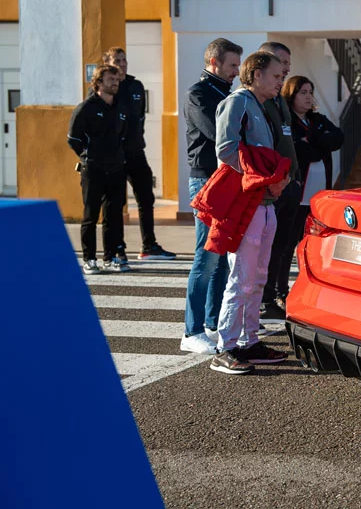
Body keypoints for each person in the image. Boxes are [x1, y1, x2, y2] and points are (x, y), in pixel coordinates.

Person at [211, 51, 291, 374]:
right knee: (241, 277)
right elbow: (224, 148)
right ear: (256, 74)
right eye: (275, 76)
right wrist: (258, 177)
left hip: (265, 202)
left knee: (258, 277)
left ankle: (249, 340)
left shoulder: (260, 105)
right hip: (248, 202)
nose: (280, 80)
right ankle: (225, 346)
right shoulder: (238, 102)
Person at [180, 38, 242, 355]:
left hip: (226, 179)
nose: (237, 72)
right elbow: (218, 134)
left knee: (220, 260)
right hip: (206, 180)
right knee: (205, 258)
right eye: (232, 65)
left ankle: (212, 323)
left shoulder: (226, 93)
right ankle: (191, 331)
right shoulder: (198, 94)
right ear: (214, 62)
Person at [270, 75, 344, 309]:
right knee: (287, 244)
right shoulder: (287, 120)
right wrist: (315, 143)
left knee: (313, 246)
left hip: (318, 198)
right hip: (296, 195)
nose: (308, 97)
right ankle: (279, 290)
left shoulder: (316, 120)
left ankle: (309, 288)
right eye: (303, 92)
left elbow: (337, 138)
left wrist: (312, 139)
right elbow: (304, 152)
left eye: (310, 92)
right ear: (291, 94)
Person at [101, 48, 176, 263]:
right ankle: (117, 248)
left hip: (135, 152)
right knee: (114, 203)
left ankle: (149, 245)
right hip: (113, 156)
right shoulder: (105, 88)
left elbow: (140, 117)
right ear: (107, 62)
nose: (123, 64)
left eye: (124, 60)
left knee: (146, 197)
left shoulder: (135, 86)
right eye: (117, 60)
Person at [68, 63, 128, 274]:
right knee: (90, 215)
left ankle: (110, 257)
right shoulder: (86, 107)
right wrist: (88, 156)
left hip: (117, 169)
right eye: (111, 79)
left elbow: (124, 136)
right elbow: (73, 139)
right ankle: (89, 259)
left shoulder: (121, 107)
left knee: (113, 215)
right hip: (93, 169)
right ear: (99, 82)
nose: (116, 83)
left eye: (117, 79)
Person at [258, 42, 301, 321]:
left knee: (284, 245)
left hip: (289, 184)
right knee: (267, 247)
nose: (286, 68)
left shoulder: (279, 100)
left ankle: (275, 293)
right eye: (281, 62)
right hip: (272, 187)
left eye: (288, 63)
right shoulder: (257, 100)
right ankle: (262, 299)